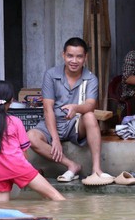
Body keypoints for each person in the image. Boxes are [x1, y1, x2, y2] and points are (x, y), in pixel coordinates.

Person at [27, 37, 114, 186]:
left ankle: (96, 169)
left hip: (75, 123)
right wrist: (55, 138)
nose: (74, 61)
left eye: (79, 56)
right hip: (52, 122)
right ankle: (72, 165)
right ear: (63, 55)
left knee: (90, 116)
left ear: (85, 58)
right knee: (30, 137)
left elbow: (90, 104)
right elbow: (48, 109)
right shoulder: (51, 75)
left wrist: (76, 108)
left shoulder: (90, 78)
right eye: (70, 56)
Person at [0, 80, 66, 202]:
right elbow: (24, 153)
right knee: (56, 197)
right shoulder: (15, 122)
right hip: (18, 167)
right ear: (11, 100)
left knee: (2, 209)